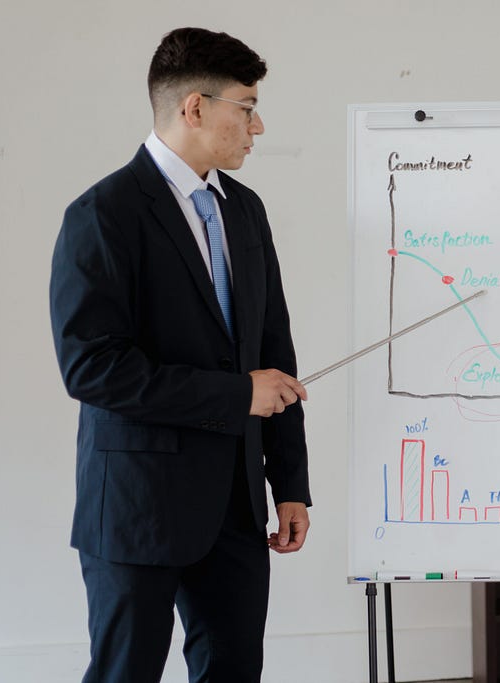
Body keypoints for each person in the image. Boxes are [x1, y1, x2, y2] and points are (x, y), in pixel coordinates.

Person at [49, 27, 311, 683]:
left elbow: (273, 353)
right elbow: (91, 368)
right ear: (194, 106)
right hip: (138, 508)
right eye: (246, 108)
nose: (257, 126)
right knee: (125, 672)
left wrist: (291, 484)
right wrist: (234, 395)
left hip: (237, 507)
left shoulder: (246, 212)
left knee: (232, 670)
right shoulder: (103, 214)